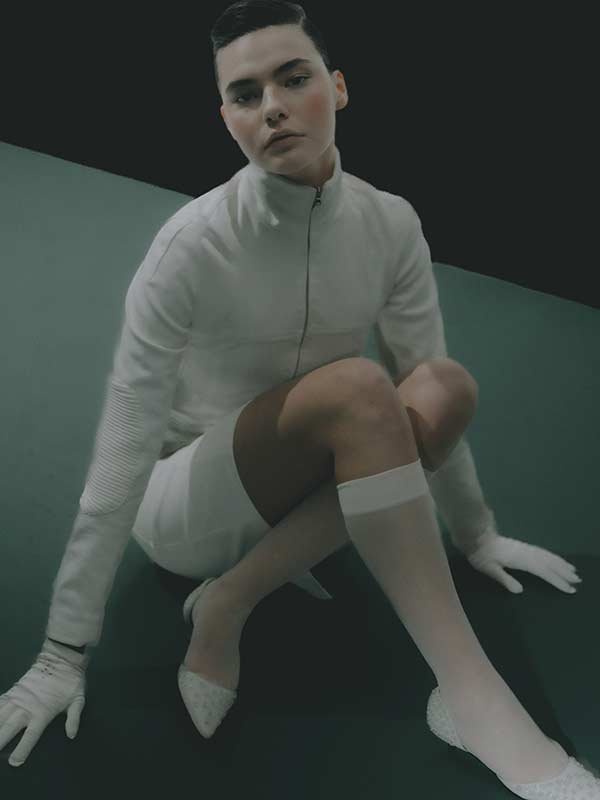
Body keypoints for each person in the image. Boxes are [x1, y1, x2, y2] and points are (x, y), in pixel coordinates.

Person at [2, 2, 597, 793]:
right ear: (228, 119)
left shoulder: (391, 223)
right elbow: (124, 448)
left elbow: (425, 394)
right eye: (246, 95)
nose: (273, 107)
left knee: (444, 385)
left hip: (310, 484)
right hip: (186, 507)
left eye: (293, 78)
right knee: (359, 386)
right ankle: (475, 701)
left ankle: (229, 602)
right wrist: (61, 653)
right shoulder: (190, 246)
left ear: (338, 87)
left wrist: (477, 534)